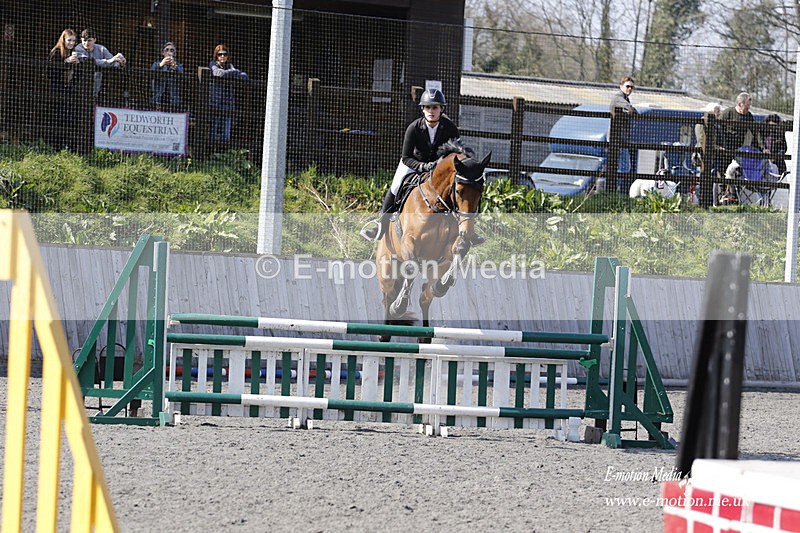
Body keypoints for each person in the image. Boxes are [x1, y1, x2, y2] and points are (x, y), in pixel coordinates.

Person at [361, 88, 483, 244]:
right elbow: (406, 157)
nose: (431, 111)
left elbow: (456, 152)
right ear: (423, 109)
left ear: (441, 109)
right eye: (428, 107)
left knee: (459, 189)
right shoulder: (413, 128)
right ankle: (380, 225)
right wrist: (423, 167)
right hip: (414, 164)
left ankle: (468, 231)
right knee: (396, 186)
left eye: (435, 107)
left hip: (439, 168)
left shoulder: (450, 127)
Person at [47, 29, 81, 150]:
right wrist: (65, 62)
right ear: (64, 40)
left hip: (70, 90)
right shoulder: (56, 52)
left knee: (69, 117)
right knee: (57, 117)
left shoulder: (74, 53)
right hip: (57, 90)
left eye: (74, 41)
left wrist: (77, 64)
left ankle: (68, 145)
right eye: (69, 40)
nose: (71, 43)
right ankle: (55, 146)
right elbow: (50, 73)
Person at [208, 44, 248, 146]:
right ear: (216, 55)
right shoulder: (213, 64)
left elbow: (244, 76)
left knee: (226, 133)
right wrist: (233, 72)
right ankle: (211, 152)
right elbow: (218, 73)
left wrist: (232, 72)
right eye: (220, 54)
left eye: (224, 54)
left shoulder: (230, 66)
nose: (222, 56)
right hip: (216, 103)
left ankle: (223, 153)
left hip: (228, 104)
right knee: (213, 131)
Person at [74, 28, 126, 99]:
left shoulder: (101, 49)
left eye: (89, 40)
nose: (86, 43)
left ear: (95, 40)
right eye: (84, 40)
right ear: (81, 39)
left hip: (99, 86)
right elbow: (89, 62)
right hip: (80, 86)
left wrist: (121, 62)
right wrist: (109, 61)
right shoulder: (78, 48)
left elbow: (113, 62)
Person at [609, 76, 638, 192]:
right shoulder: (618, 97)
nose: (629, 89)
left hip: (621, 138)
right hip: (616, 138)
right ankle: (615, 191)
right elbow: (628, 108)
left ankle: (614, 191)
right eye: (627, 86)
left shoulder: (625, 98)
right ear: (621, 86)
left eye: (632, 87)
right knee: (624, 166)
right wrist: (633, 112)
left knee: (621, 166)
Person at [151, 42, 184, 110]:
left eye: (171, 50)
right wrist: (161, 64)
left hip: (173, 101)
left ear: (175, 53)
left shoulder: (179, 66)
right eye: (167, 50)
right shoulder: (156, 64)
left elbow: (182, 78)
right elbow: (151, 75)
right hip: (157, 99)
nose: (169, 52)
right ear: (163, 53)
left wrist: (174, 67)